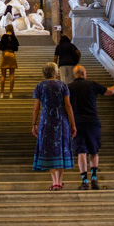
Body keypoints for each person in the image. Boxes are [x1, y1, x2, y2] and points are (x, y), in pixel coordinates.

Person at [68, 65, 114, 190]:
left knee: (81, 152)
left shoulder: (69, 87)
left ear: (75, 74)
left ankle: (84, 181)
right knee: (94, 151)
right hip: (93, 123)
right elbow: (110, 91)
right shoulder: (92, 85)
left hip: (77, 123)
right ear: (83, 73)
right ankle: (94, 179)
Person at [32, 62, 77, 190]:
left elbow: (36, 108)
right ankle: (60, 181)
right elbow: (68, 106)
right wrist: (73, 124)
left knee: (50, 149)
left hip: (46, 120)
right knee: (62, 148)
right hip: (61, 119)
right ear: (55, 72)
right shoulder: (63, 85)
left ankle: (54, 181)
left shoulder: (39, 86)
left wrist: (34, 123)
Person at [0, 24, 19, 99]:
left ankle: (2, 93)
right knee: (12, 75)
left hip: (5, 54)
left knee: (3, 75)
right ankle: (11, 93)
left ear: (6, 29)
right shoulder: (14, 37)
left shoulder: (2, 36)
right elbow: (16, 48)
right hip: (12, 54)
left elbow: (1, 47)